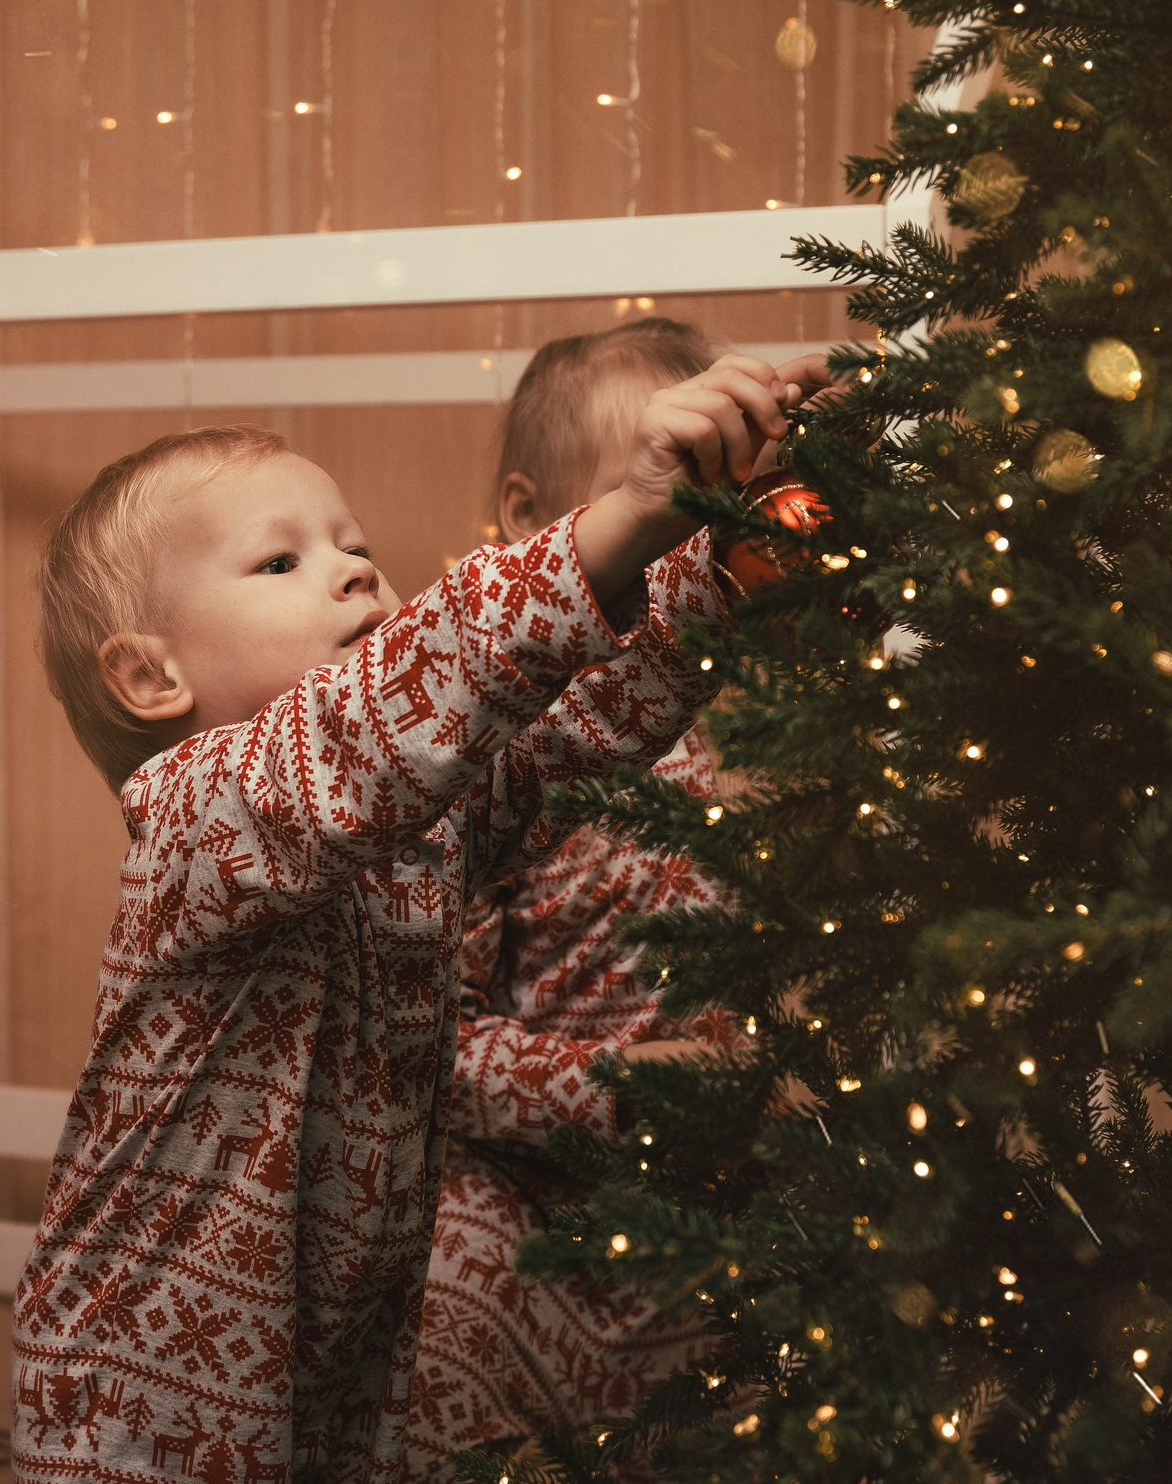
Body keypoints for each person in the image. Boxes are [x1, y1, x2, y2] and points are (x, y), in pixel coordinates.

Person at [12, 349, 830, 1484]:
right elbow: (386, 711)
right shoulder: (195, 817)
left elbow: (572, 734)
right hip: (141, 1405)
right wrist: (620, 516)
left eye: (355, 547)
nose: (352, 572)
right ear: (150, 679)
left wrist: (722, 564)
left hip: (338, 1361)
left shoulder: (422, 832)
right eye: (282, 560)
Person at [401, 319, 749, 1477]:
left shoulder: (753, 712)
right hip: (531, 1205)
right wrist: (611, 1090)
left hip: (719, 1207)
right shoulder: (493, 747)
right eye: (654, 507)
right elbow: (416, 1039)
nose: (689, 548)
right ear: (526, 515)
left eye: (713, 510)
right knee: (433, 1306)